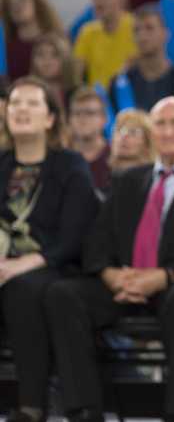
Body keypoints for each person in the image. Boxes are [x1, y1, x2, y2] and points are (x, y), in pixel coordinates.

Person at [45, 97, 174, 422]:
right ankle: (85, 409)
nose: (166, 132)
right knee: (63, 294)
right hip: (124, 285)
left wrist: (164, 276)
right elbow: (97, 240)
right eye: (160, 124)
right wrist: (112, 276)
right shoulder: (127, 180)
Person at [0, 78, 98, 422]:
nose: (21, 110)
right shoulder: (1, 165)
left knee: (22, 289)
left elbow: (75, 234)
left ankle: (31, 405)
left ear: (50, 118)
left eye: (31, 104)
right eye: (15, 104)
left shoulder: (69, 165)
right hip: (4, 267)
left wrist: (23, 263)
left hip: (55, 266)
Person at [107, 5, 174, 118]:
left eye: (149, 28)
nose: (142, 36)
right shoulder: (120, 83)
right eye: (136, 30)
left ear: (165, 34)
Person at [72, 0, 136, 88]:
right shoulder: (87, 31)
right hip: (96, 102)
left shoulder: (136, 27)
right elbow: (76, 76)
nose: (99, 2)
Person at [0, 0, 62, 82]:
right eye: (11, 4)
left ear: (36, 3)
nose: (17, 6)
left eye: (22, 0)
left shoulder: (58, 41)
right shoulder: (5, 47)